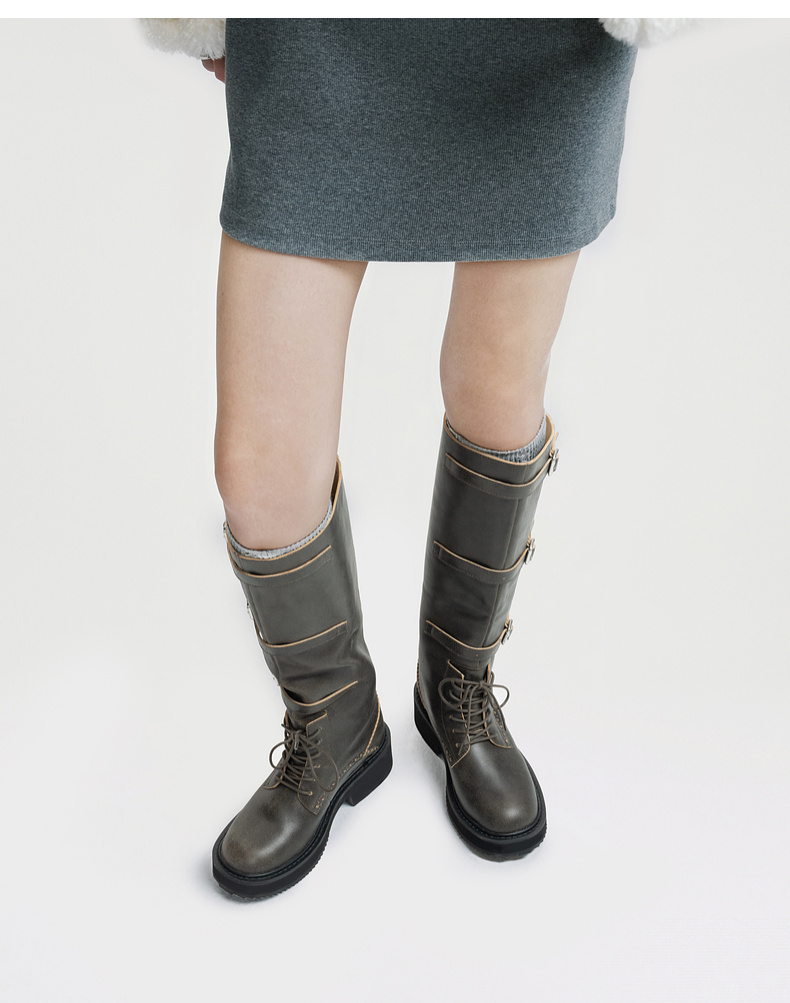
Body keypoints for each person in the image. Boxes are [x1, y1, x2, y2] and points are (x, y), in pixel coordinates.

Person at [141, 17, 695, 899]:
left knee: (497, 391)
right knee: (258, 468)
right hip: (319, 33)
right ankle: (334, 721)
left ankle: (456, 685)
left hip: (536, 42)